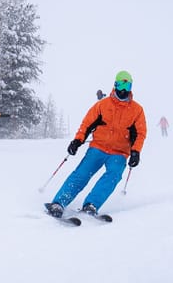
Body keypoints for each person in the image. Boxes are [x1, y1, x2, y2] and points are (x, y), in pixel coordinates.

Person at [45, 71, 147, 218]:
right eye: (121, 84)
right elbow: (87, 124)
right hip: (98, 147)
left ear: (131, 87)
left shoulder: (137, 110)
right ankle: (59, 203)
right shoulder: (102, 105)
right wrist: (77, 140)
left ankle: (91, 204)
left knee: (113, 176)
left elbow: (140, 133)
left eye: (127, 85)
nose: (123, 89)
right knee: (82, 174)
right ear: (115, 85)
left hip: (119, 152)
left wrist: (136, 151)